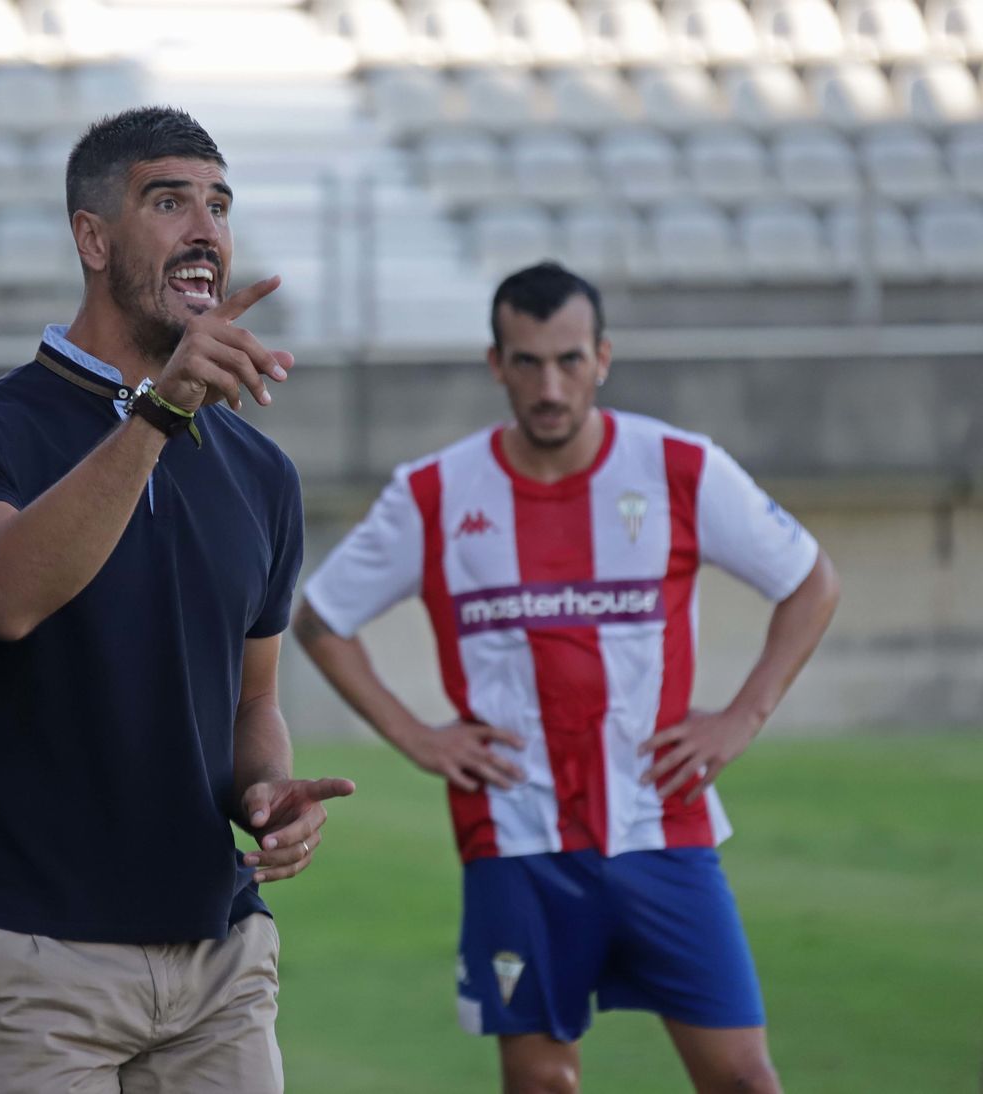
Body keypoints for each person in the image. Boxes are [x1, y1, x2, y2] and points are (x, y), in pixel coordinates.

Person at [295, 261, 840, 1093]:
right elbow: (321, 619)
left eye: (569, 361)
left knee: (743, 1079)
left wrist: (743, 716)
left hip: (663, 826)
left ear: (602, 358)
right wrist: (416, 737)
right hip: (516, 838)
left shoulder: (680, 468)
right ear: (496, 364)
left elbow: (811, 581)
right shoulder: (435, 493)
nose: (550, 387)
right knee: (543, 1084)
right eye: (528, 362)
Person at [0, 106, 355, 1093]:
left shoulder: (261, 472)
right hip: (31, 957)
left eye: (219, 206)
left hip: (220, 958)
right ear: (93, 237)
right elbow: (4, 595)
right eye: (168, 202)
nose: (205, 230)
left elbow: (252, 700)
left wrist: (266, 791)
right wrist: (160, 412)